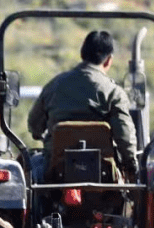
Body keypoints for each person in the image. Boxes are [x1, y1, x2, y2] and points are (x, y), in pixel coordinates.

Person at [27, 30, 138, 180]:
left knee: (32, 163)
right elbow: (125, 135)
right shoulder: (114, 92)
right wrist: (131, 164)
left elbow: (35, 125)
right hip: (103, 176)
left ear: (82, 54)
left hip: (56, 173)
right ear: (108, 60)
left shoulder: (54, 85)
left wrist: (38, 134)